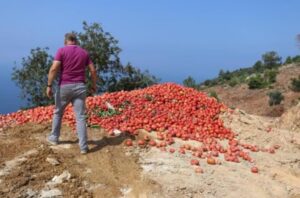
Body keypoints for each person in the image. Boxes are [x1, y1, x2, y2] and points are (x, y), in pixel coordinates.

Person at [46, 33, 97, 154]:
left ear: (66, 41)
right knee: (80, 117)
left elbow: (54, 68)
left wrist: (49, 85)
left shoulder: (61, 50)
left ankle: (54, 138)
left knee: (58, 112)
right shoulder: (84, 52)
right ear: (76, 41)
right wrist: (94, 85)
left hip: (64, 86)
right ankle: (83, 147)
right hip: (80, 87)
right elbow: (93, 70)